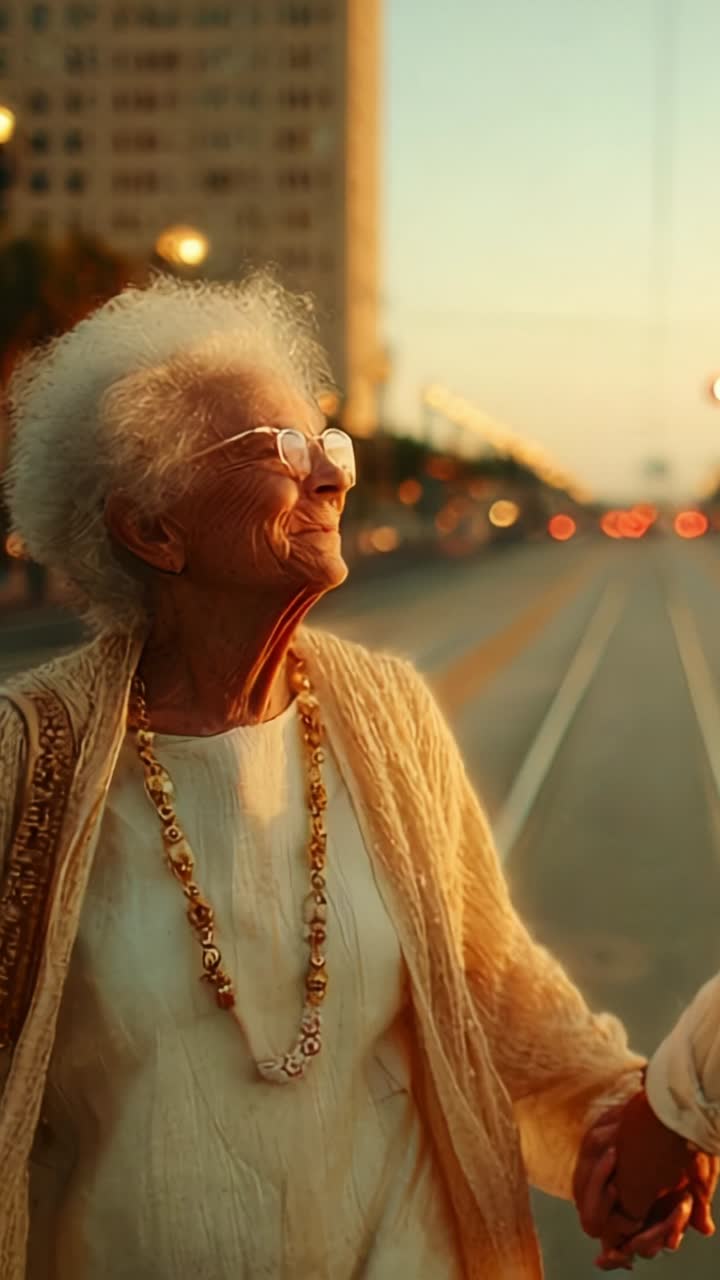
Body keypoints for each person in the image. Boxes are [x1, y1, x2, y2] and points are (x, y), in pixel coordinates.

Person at [0, 270, 712, 1279]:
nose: (332, 476)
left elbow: (491, 979)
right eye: (282, 453)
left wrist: (622, 1113)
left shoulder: (384, 710)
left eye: (328, 444)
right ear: (151, 528)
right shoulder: (26, 761)